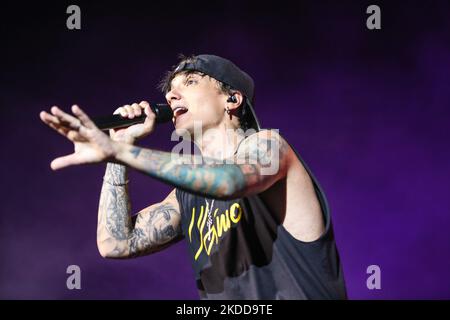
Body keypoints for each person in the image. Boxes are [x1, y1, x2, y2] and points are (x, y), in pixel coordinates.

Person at [40, 54, 347, 299]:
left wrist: (119, 153)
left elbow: (230, 182)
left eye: (190, 81)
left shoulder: (269, 146)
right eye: (170, 90)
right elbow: (116, 244)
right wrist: (119, 149)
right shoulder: (187, 196)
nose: (172, 95)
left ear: (232, 100)